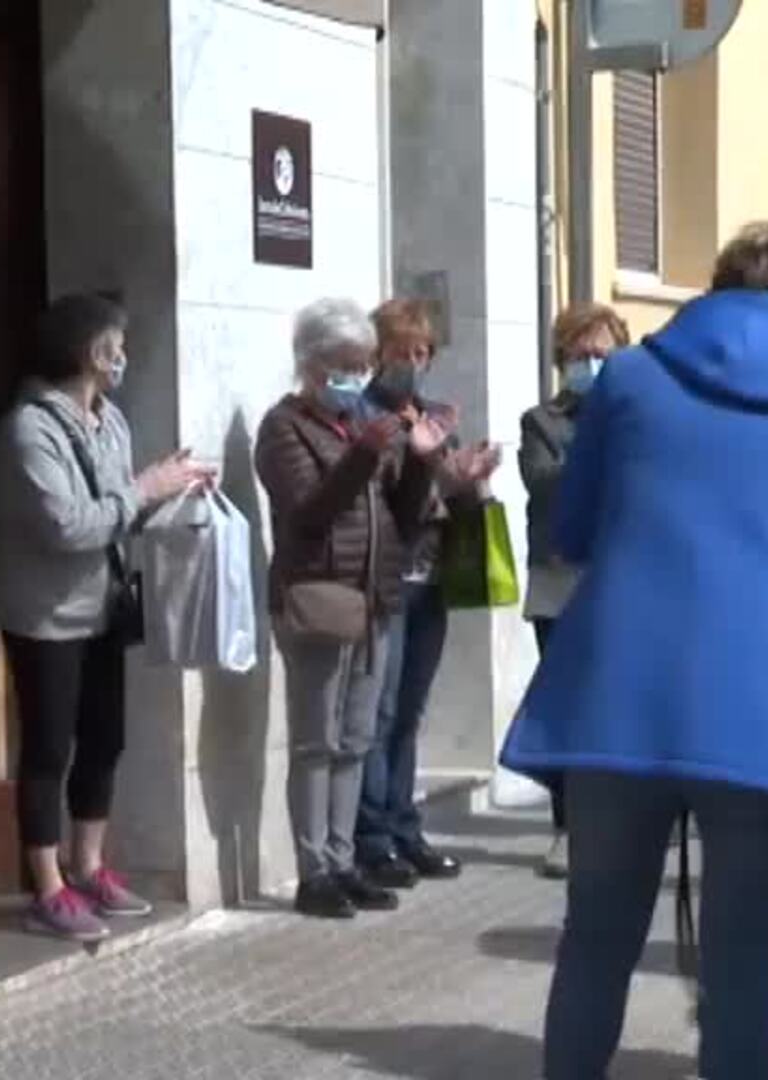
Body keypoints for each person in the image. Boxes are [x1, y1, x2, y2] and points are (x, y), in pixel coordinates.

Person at [500, 223, 768, 1079]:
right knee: (745, 957)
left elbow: (571, 530)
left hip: (623, 690)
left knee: (596, 939)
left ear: (717, 284)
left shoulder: (629, 378)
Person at [0, 292, 213, 944]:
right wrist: (143, 489)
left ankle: (89, 865)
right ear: (92, 351)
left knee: (105, 738)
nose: (125, 356)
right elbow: (67, 524)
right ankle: (47, 883)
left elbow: (119, 512)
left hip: (107, 606)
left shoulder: (108, 419)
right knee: (49, 747)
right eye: (116, 344)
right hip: (48, 614)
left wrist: (172, 490)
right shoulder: (29, 427)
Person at [256, 297, 451, 920]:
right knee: (316, 742)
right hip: (316, 600)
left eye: (363, 365)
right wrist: (367, 451)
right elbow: (309, 509)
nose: (357, 378)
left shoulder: (360, 429)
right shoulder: (284, 427)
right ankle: (314, 870)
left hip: (374, 603)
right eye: (344, 366)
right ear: (311, 366)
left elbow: (401, 513)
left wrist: (423, 461)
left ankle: (344, 861)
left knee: (356, 740)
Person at [352, 299, 499, 888]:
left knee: (409, 713)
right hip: (387, 579)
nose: (413, 363)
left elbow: (449, 498)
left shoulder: (435, 416)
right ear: (377, 354)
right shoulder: (366, 417)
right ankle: (373, 838)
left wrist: (469, 480)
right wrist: (432, 471)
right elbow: (380, 501)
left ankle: (406, 828)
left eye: (422, 352)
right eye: (401, 351)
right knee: (379, 715)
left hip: (432, 578)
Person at [518, 302, 629, 880]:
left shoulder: (637, 415)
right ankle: (565, 827)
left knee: (613, 704)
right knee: (566, 701)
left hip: (622, 578)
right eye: (580, 355)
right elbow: (543, 481)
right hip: (561, 580)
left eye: (602, 355)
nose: (590, 364)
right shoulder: (541, 421)